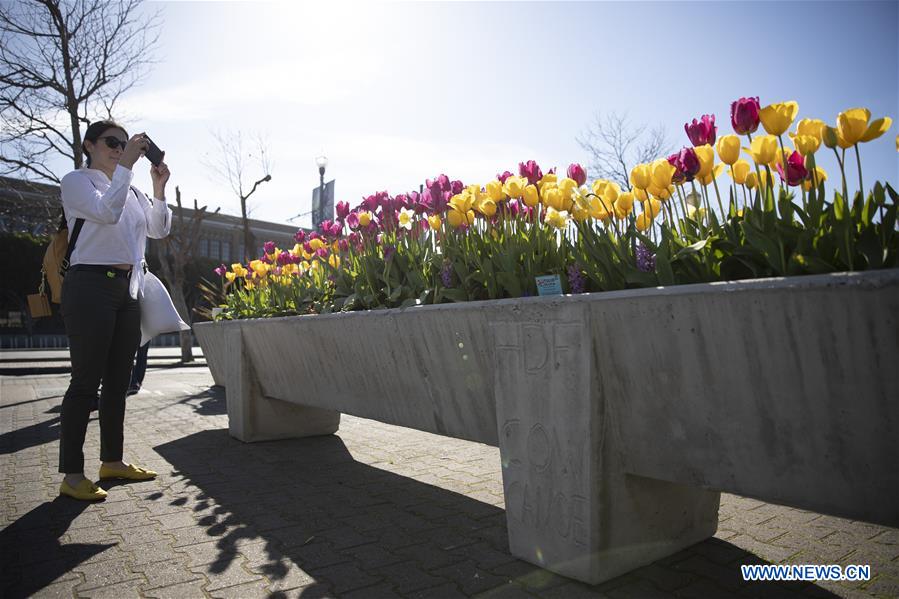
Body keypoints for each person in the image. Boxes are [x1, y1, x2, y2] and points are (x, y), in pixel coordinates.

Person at [58, 119, 172, 501]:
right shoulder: (76, 181)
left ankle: (112, 461)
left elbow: (158, 229)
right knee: (85, 382)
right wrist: (126, 168)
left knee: (118, 381)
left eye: (124, 144)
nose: (119, 148)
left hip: (127, 289)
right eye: (111, 142)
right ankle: (72, 474)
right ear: (89, 145)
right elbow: (105, 213)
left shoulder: (134, 190)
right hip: (89, 285)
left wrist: (158, 188)